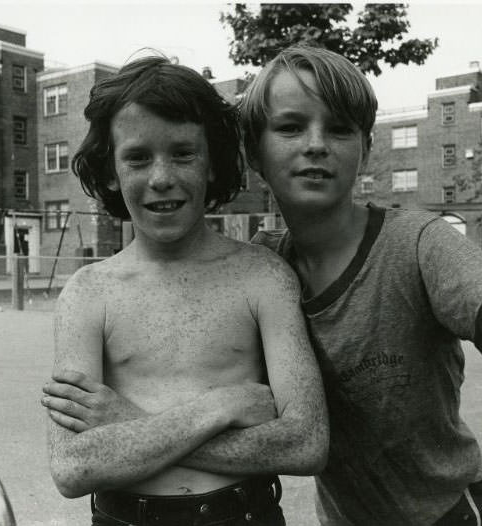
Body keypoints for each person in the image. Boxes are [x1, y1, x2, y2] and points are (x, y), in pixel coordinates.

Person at [45, 45, 482, 526]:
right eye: (290, 127)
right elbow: (74, 465)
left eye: (341, 129)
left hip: (441, 512)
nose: (316, 145)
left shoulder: (414, 244)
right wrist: (206, 413)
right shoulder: (265, 258)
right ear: (254, 156)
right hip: (344, 516)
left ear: (366, 150)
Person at [44, 55, 329, 526]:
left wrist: (126, 425)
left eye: (183, 153)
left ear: (213, 162)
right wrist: (221, 406)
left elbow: (305, 442)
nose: (161, 177)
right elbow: (74, 467)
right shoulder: (88, 293)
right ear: (112, 170)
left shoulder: (263, 276)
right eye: (137, 157)